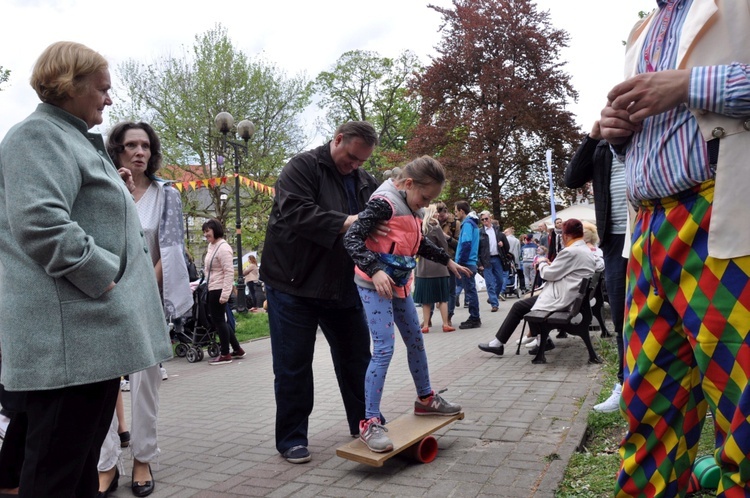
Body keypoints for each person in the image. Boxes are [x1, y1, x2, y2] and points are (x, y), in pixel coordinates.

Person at [0, 41, 172, 497]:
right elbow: (40, 222)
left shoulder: (69, 138)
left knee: (74, 469)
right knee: (56, 475)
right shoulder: (38, 136)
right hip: (71, 340)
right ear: (69, 85)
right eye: (102, 89)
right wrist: (104, 277)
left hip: (86, 337)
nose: (109, 100)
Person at [600, 2, 750, 495]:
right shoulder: (642, 29)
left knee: (742, 408)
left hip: (722, 217)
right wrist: (618, 138)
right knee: (648, 405)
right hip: (647, 229)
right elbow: (660, 134)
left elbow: (686, 99)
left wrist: (689, 85)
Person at [259, 121, 380, 464]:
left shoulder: (364, 182)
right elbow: (298, 213)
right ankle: (292, 438)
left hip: (342, 284)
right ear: (338, 139)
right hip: (292, 284)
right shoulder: (302, 168)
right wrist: (350, 221)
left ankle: (366, 422)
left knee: (358, 358)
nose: (354, 166)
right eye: (351, 157)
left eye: (361, 161)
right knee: (293, 364)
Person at [343, 156, 469, 453]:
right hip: (374, 283)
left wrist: (447, 260)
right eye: (424, 198)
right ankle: (369, 421)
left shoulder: (411, 206)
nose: (425, 205)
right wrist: (374, 270)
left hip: (398, 282)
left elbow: (418, 242)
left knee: (415, 340)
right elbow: (352, 238)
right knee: (384, 347)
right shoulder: (384, 203)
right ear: (409, 184)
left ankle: (426, 400)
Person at [95, 121, 193, 497]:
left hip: (147, 300)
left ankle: (142, 458)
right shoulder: (101, 186)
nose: (139, 152)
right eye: (131, 145)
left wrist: (136, 289)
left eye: (146, 146)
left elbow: (169, 252)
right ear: (116, 149)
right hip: (99, 298)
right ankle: (105, 464)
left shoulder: (166, 194)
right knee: (101, 385)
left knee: (145, 386)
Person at [564, 121, 629, 415]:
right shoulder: (602, 147)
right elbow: (572, 178)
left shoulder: (649, 136)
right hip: (615, 241)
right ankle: (625, 385)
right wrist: (592, 136)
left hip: (653, 229)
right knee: (622, 317)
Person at [477, 219, 602, 356]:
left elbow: (548, 274)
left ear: (566, 236)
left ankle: (499, 343)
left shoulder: (570, 252)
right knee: (528, 302)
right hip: (573, 297)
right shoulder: (585, 249)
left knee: (520, 306)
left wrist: (541, 262)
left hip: (563, 298)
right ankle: (538, 339)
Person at [202, 219, 245, 365]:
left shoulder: (223, 248)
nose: (205, 234)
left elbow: (228, 272)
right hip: (212, 287)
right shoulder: (211, 246)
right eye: (204, 232)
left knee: (219, 321)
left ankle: (225, 353)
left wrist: (225, 294)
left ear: (215, 230)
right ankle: (237, 349)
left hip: (219, 288)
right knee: (219, 320)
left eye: (208, 231)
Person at [412, 204, 455, 332]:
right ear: (431, 213)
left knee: (426, 300)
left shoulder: (420, 227)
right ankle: (445, 324)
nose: (437, 214)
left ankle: (425, 326)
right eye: (435, 212)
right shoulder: (435, 227)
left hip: (423, 270)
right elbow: (443, 246)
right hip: (439, 268)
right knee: (442, 298)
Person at [454, 201, 482, 329]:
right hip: (471, 262)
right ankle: (474, 317)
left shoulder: (466, 225)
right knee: (471, 290)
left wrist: (460, 262)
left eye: (456, 211)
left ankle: (474, 318)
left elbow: (466, 244)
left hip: (467, 263)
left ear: (461, 211)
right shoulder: (473, 224)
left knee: (470, 291)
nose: (455, 214)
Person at [478, 210, 508, 311]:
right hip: (485, 260)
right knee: (489, 283)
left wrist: (502, 245)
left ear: (490, 218)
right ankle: (494, 304)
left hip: (497, 258)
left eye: (486, 218)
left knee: (500, 280)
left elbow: (506, 247)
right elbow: (476, 249)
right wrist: (479, 263)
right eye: (482, 220)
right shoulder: (480, 233)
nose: (485, 221)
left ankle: (492, 297)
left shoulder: (497, 231)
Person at [437, 201, 460, 319]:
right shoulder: (433, 222)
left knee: (450, 289)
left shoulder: (455, 223)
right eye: (438, 215)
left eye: (442, 216)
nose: (440, 218)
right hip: (435, 260)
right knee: (436, 289)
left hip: (450, 259)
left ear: (446, 213)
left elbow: (459, 244)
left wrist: (447, 238)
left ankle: (449, 316)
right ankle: (428, 319)